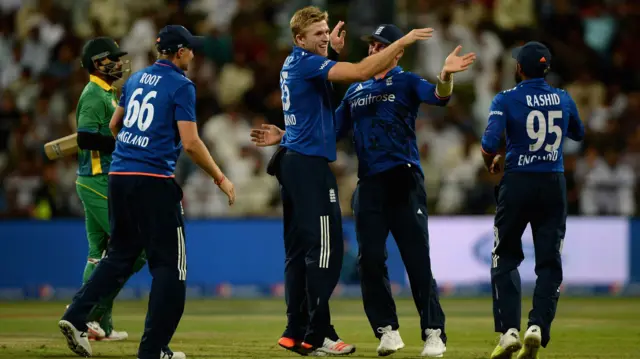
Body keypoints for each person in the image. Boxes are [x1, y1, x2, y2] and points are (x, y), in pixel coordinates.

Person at [253, 23, 475, 357]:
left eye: (379, 45)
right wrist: (285, 135)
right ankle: (387, 329)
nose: (373, 50)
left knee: (417, 260)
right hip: (369, 183)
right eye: (371, 45)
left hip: (404, 178)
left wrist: (445, 74)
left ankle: (433, 332)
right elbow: (329, 130)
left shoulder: (406, 80)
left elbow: (439, 97)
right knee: (369, 260)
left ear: (396, 53)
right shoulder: (356, 91)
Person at [58, 25, 235, 359]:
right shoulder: (182, 86)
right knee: (171, 268)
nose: (193, 55)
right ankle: (154, 350)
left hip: (120, 176)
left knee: (118, 257)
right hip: (153, 180)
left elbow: (115, 126)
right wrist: (220, 178)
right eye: (190, 50)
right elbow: (191, 143)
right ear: (180, 52)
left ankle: (75, 316)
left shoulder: (136, 79)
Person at [480, 41, 584, 359]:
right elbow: (578, 133)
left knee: (505, 257)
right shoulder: (563, 98)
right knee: (550, 263)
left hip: (517, 182)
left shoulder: (506, 98)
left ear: (520, 68)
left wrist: (492, 161)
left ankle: (509, 331)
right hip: (553, 183)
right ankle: (537, 326)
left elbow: (487, 143)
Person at [72, 35, 145, 343]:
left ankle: (103, 325)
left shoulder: (108, 93)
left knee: (97, 256)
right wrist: (122, 140)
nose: (118, 63)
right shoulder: (93, 94)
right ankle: (84, 314)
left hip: (97, 180)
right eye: (113, 58)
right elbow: (85, 139)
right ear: (98, 63)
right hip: (98, 180)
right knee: (135, 249)